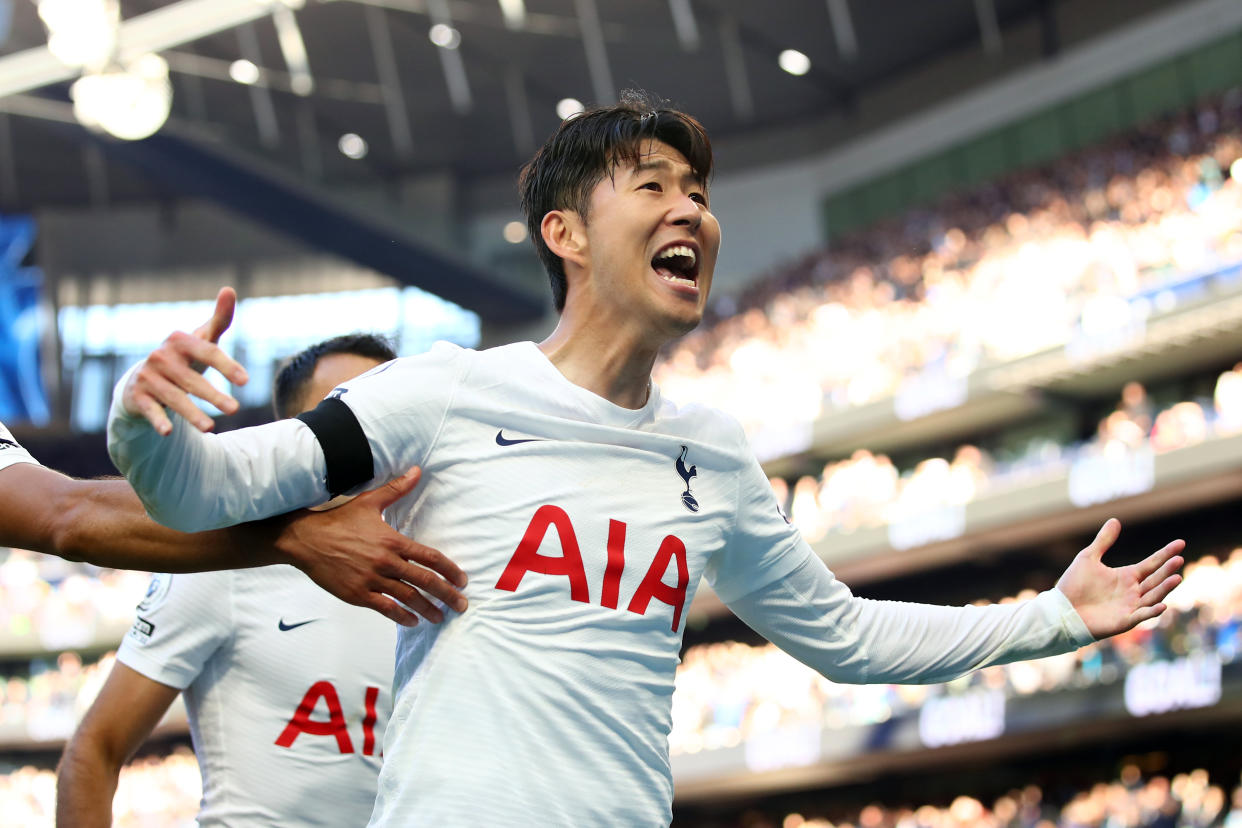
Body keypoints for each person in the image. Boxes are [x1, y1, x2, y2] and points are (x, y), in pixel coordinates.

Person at [106, 91, 1185, 826]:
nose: (692, 212)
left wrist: (1054, 616)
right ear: (565, 234)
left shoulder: (709, 453)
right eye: (657, 186)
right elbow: (210, 491)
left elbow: (845, 636)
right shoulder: (440, 392)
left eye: (701, 195)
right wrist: (144, 427)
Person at [57, 334, 405, 827]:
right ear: (290, 436)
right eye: (341, 420)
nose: (363, 441)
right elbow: (96, 748)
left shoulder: (440, 568)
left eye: (383, 418)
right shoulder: (222, 564)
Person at [0, 303, 466, 626]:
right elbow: (68, 518)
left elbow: (67, 515)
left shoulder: (447, 554)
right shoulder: (216, 592)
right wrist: (299, 538)